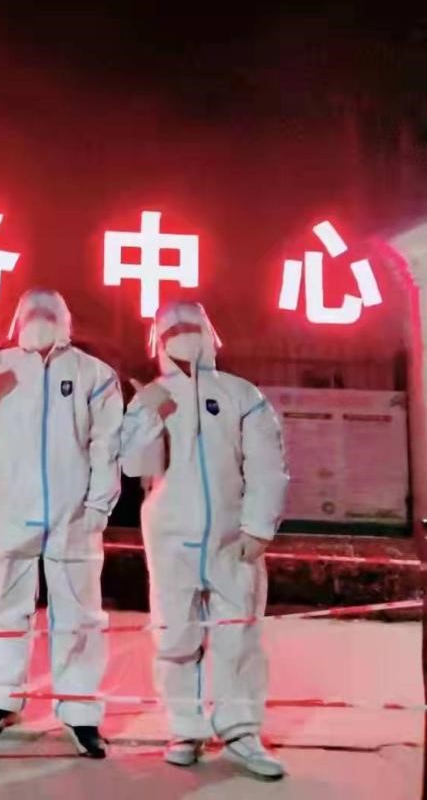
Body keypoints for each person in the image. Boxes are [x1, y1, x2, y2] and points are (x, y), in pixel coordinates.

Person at [120, 301, 288, 780]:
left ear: (211, 333)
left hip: (232, 540)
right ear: (156, 341)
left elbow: (267, 465)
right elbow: (136, 466)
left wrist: (258, 527)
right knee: (176, 636)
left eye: (192, 326)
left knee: (239, 637)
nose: (183, 335)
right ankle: (184, 728)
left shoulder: (241, 394)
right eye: (171, 329)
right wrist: (148, 415)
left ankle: (241, 731)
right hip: (171, 537)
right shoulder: (151, 396)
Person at [0, 289, 122, 758]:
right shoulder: (1, 366)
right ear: (18, 320)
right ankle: (1, 699)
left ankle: (81, 712)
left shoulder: (94, 373)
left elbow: (107, 443)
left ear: (66, 320)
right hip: (12, 509)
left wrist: (99, 503)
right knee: (6, 608)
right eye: (32, 312)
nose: (40, 319)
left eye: (50, 312)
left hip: (73, 514)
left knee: (80, 615)